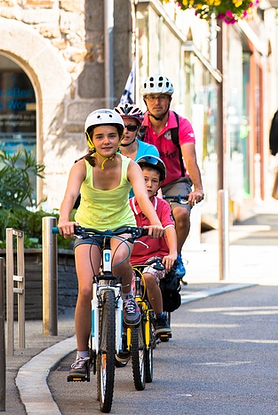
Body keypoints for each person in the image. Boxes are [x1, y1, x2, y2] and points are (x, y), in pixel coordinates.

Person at [58, 109, 164, 381]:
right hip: (88, 229)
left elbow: (141, 196)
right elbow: (70, 195)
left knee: (119, 262)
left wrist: (155, 222)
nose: (106, 141)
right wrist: (64, 219)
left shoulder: (131, 166)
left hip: (121, 227)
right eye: (100, 136)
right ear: (91, 139)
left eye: (112, 135)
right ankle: (82, 356)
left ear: (120, 138)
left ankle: (128, 296)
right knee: (84, 289)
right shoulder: (81, 166)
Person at [138, 75, 204, 278]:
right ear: (145, 100)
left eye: (162, 97)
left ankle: (176, 255)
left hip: (174, 182)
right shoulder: (138, 126)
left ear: (169, 100)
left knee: (181, 214)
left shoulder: (181, 125)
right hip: (144, 181)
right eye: (151, 98)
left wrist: (198, 188)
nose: (156, 102)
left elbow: (190, 158)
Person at [130, 155, 177, 336]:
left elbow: (169, 228)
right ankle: (123, 333)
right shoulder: (126, 207)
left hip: (155, 257)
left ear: (159, 185)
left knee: (149, 277)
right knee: (125, 287)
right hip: (129, 260)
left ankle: (159, 317)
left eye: (154, 181)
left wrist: (172, 253)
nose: (149, 185)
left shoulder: (162, 206)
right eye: (144, 180)